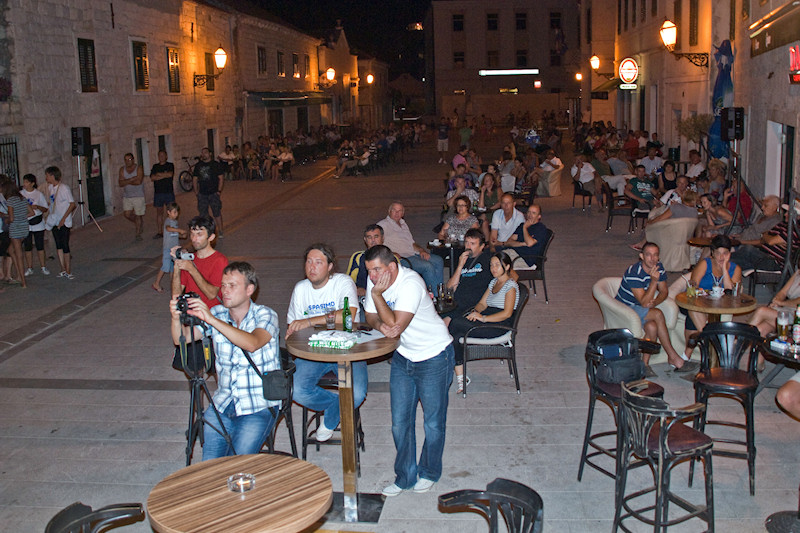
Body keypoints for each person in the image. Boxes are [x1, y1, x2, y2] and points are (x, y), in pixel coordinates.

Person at [363, 245, 454, 496]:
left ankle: (429, 471)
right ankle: (405, 477)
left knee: (433, 422)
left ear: (392, 267)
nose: (372, 276)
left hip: (435, 356)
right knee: (399, 423)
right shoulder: (376, 281)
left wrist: (378, 297)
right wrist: (380, 325)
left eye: (377, 270)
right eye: (369, 271)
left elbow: (396, 323)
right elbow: (370, 315)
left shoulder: (411, 283)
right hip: (404, 356)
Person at [170, 262, 282, 459]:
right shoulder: (217, 313)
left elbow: (252, 343)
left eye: (232, 285)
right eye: (223, 285)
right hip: (223, 402)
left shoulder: (265, 314)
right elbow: (182, 339)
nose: (225, 291)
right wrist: (175, 317)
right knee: (210, 466)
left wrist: (212, 321)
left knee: (236, 463)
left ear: (249, 290)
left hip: (258, 404)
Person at [286, 243, 363, 442]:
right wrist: (293, 331)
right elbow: (294, 325)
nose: (312, 267)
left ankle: (330, 419)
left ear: (330, 266)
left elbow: (348, 314)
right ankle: (337, 406)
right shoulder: (301, 289)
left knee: (357, 393)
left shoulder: (343, 282)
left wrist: (309, 321)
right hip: (314, 351)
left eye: (318, 262)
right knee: (297, 390)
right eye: (309, 262)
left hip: (349, 349)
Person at [447, 252, 519, 394]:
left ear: (507, 266)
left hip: (499, 325)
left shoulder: (510, 286)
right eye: (491, 265)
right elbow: (482, 303)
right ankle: (461, 378)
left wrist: (484, 318)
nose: (493, 268)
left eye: (497, 265)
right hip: (487, 319)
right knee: (455, 335)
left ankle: (446, 364)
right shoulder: (493, 283)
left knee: (454, 323)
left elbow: (507, 313)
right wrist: (476, 312)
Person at [615, 242, 686, 373]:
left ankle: (645, 364)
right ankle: (672, 356)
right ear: (641, 256)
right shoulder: (634, 273)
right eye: (648, 255)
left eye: (655, 255)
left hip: (640, 307)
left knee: (652, 326)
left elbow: (664, 291)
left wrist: (655, 303)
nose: (652, 259)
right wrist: (654, 281)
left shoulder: (659, 267)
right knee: (658, 314)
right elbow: (643, 302)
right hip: (625, 307)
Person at [681, 235, 742, 366]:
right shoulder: (705, 264)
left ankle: (687, 355)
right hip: (697, 302)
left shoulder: (735, 269)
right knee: (694, 310)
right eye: (718, 253)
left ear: (729, 254)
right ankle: (713, 343)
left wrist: (724, 269)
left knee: (693, 316)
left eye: (725, 253)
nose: (721, 257)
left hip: (720, 306)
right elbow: (693, 285)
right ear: (712, 253)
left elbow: (731, 293)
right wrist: (703, 293)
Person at [378, 202, 444, 291]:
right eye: (394, 210)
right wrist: (391, 254)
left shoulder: (403, 223)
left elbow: (412, 243)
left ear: (403, 213)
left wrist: (421, 250)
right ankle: (435, 295)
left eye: (399, 211)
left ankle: (439, 291)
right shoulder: (383, 225)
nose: (397, 213)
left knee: (438, 260)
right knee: (427, 267)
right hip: (401, 258)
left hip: (413, 253)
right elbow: (377, 245)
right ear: (389, 211)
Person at [171, 215, 228, 308]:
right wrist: (176, 264)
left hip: (211, 314)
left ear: (211, 237)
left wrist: (192, 269)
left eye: (199, 234)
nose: (194, 239)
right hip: (191, 314)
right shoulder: (190, 259)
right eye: (192, 234)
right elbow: (176, 296)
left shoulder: (220, 260)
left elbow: (211, 294)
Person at [749, 270, 800, 372]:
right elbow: (783, 292)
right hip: (784, 311)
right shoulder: (798, 273)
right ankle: (758, 364)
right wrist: (777, 300)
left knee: (761, 311)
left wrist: (781, 303)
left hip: (796, 318)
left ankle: (741, 338)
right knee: (759, 329)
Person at [45, 166, 77, 279]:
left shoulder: (64, 188)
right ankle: (62, 268)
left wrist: (63, 218)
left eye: (47, 175)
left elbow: (72, 204)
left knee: (65, 244)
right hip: (55, 220)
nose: (46, 178)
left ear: (53, 176)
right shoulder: (50, 188)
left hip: (64, 221)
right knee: (58, 245)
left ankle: (68, 270)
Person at [1, 179, 32, 288]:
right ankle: (20, 276)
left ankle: (23, 281)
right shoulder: (22, 198)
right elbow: (31, 212)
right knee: (10, 250)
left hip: (15, 228)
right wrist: (22, 217)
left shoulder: (10, 201)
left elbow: (12, 218)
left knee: (19, 255)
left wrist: (7, 220)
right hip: (24, 227)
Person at [152, 202, 187, 293]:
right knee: (165, 266)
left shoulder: (175, 222)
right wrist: (179, 230)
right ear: (168, 212)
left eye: (177, 212)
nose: (176, 214)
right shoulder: (168, 221)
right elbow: (168, 229)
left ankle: (173, 284)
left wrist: (182, 236)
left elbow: (174, 235)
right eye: (174, 212)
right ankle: (156, 283)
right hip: (168, 249)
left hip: (175, 249)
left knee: (173, 268)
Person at [502, 204, 548, 269]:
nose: (530, 215)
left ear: (539, 216)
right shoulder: (522, 225)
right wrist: (522, 244)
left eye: (533, 213)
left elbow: (529, 243)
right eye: (529, 212)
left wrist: (525, 228)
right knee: (492, 258)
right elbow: (508, 242)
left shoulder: (540, 228)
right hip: (513, 252)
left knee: (499, 264)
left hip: (525, 259)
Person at [20, 173, 49, 275]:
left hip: (37, 222)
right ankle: (29, 267)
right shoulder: (21, 194)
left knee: (40, 245)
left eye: (27, 182)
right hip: (26, 222)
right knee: (27, 246)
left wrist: (37, 207)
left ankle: (43, 266)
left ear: (32, 183)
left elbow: (45, 208)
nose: (24, 184)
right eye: (24, 182)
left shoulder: (38, 194)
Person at [193, 147, 224, 238]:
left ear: (210, 153)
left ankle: (220, 230)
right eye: (202, 153)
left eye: (205, 152)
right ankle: (206, 232)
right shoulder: (198, 166)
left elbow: (221, 178)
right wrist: (196, 192)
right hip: (202, 193)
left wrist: (219, 191)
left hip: (213, 193)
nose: (203, 154)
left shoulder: (215, 165)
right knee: (203, 214)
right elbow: (195, 179)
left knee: (216, 212)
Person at [119, 153, 146, 241]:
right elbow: (120, 183)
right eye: (126, 160)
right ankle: (139, 223)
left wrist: (126, 181)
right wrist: (132, 179)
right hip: (127, 196)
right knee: (127, 214)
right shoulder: (122, 169)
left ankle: (138, 234)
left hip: (138, 195)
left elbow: (139, 181)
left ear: (133, 160)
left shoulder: (139, 168)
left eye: (129, 159)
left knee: (138, 215)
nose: (128, 162)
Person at [150, 150, 175, 239]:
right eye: (160, 155)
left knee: (171, 212)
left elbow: (170, 174)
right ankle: (160, 232)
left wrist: (158, 175)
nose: (161, 157)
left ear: (166, 156)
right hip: (158, 193)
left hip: (168, 192)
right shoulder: (155, 166)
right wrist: (164, 175)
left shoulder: (170, 165)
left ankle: (172, 230)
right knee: (159, 213)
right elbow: (152, 177)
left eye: (163, 155)